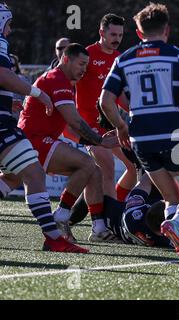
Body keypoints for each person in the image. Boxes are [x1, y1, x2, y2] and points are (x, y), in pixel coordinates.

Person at [101, 3, 179, 272]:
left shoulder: (123, 58)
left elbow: (105, 101)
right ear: (167, 30)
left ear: (138, 33)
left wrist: (121, 127)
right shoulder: (176, 55)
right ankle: (178, 223)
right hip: (171, 133)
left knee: (171, 197)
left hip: (140, 138)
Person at [0, 4, 87, 253]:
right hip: (5, 127)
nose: (10, 29)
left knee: (17, 176)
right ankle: (53, 236)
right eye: (8, 23)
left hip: (7, 123)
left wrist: (10, 98)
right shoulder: (0, 41)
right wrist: (37, 93)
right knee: (34, 174)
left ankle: (53, 236)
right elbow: (3, 75)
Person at [18, 43, 119, 243]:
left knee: (95, 171)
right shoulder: (58, 80)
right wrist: (99, 140)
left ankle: (98, 227)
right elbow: (74, 121)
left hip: (37, 140)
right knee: (88, 164)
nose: (84, 69)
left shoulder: (63, 81)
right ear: (66, 59)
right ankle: (62, 215)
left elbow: (70, 127)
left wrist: (95, 141)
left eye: (86, 65)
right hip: (34, 140)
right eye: (81, 64)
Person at [76, 14, 137, 202]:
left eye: (120, 35)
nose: (117, 39)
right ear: (102, 32)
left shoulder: (119, 58)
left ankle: (111, 208)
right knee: (107, 168)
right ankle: (106, 221)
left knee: (135, 167)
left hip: (111, 123)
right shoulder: (87, 55)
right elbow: (70, 84)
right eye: (113, 34)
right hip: (88, 125)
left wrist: (137, 113)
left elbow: (119, 96)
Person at [9, 53, 30, 121]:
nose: (9, 67)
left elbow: (27, 101)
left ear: (15, 67)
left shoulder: (21, 80)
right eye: (6, 64)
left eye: (12, 65)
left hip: (16, 119)